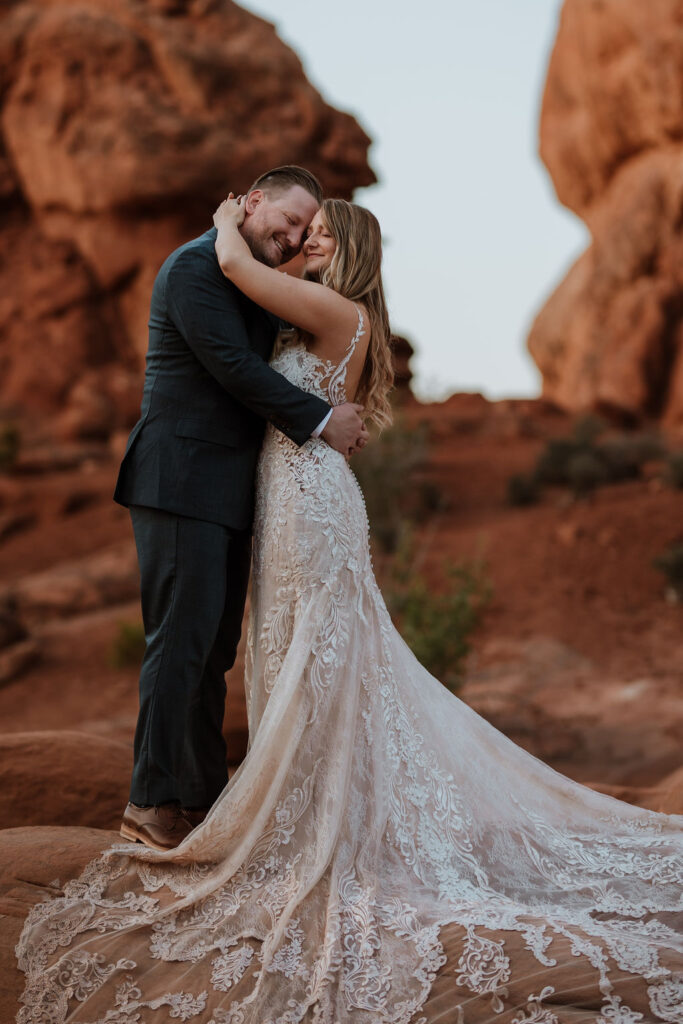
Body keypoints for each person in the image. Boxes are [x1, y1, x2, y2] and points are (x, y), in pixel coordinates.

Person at [15, 197, 683, 1023]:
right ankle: (253, 802)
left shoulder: (329, 306)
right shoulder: (298, 306)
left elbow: (233, 271)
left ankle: (284, 816)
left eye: (321, 235)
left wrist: (229, 223)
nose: (305, 243)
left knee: (308, 649)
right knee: (283, 645)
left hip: (306, 497)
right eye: (301, 232)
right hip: (278, 492)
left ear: (351, 251)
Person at [112, 166, 369, 852]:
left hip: (228, 491)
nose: (288, 238)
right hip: (179, 479)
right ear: (250, 203)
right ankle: (151, 800)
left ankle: (197, 802)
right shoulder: (197, 267)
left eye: (301, 232)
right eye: (284, 221)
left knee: (211, 650)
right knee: (180, 643)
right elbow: (231, 364)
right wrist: (320, 418)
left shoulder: (247, 275)